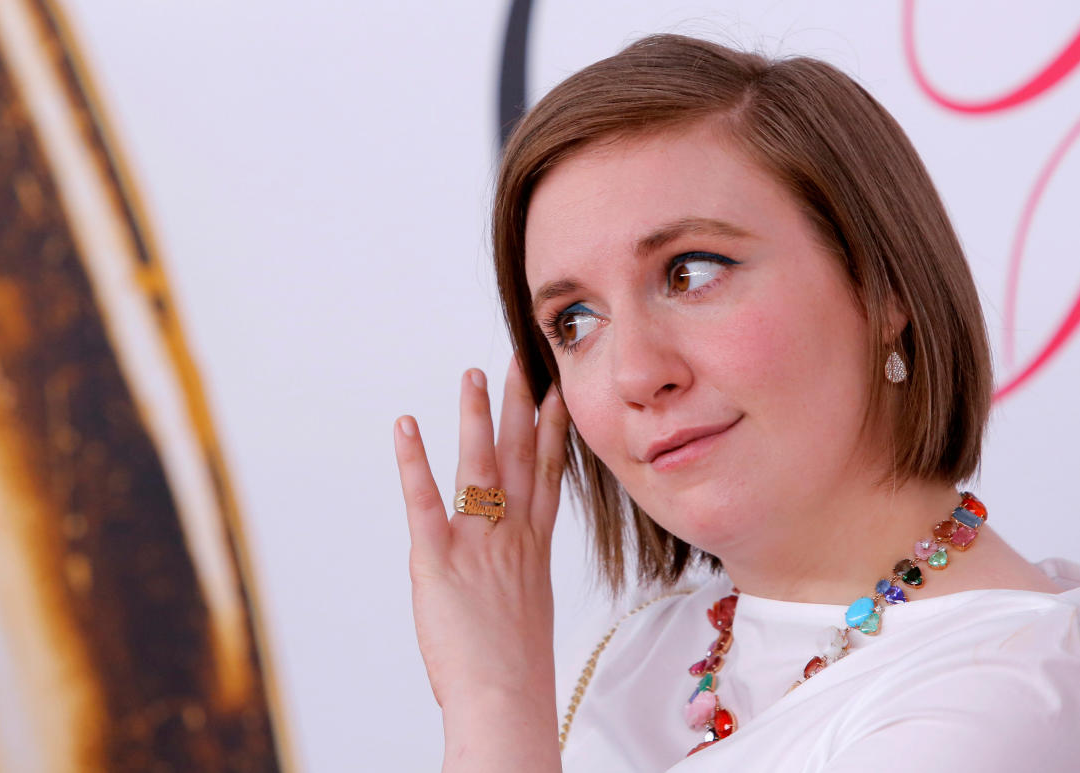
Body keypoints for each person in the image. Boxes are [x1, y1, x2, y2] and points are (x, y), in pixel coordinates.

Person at [392, 34, 1080, 772]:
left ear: (884, 287)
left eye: (690, 272)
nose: (634, 373)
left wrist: (494, 700)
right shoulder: (641, 649)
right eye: (575, 321)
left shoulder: (1012, 693)